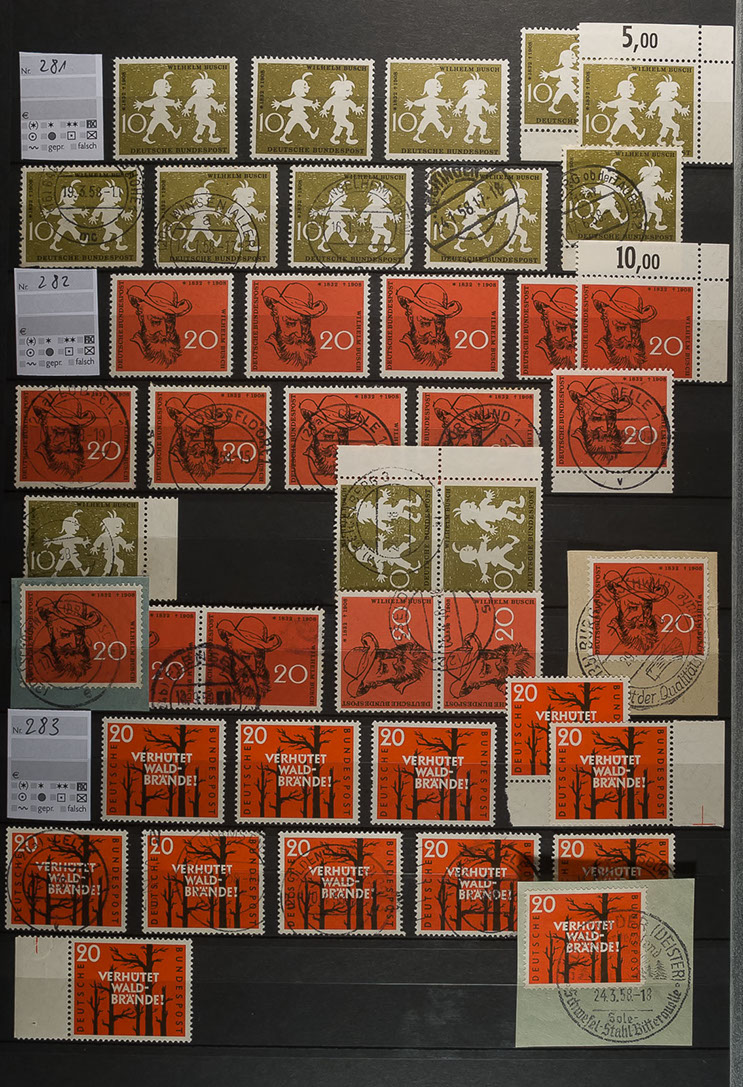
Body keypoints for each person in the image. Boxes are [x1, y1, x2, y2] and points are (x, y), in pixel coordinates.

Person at [127, 281, 192, 367]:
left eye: (169, 322)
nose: (165, 333)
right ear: (141, 318)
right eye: (156, 322)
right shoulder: (132, 349)